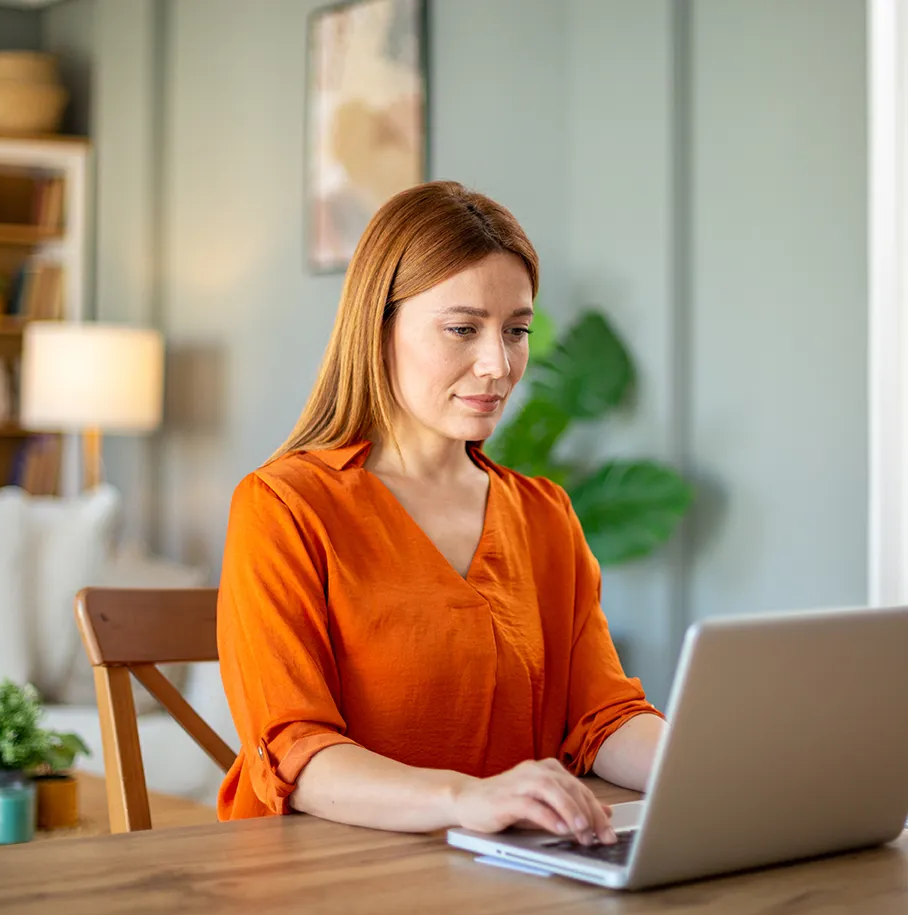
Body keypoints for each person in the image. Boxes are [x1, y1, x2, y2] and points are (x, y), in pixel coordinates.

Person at [216, 180, 666, 845]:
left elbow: (602, 716)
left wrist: (725, 770)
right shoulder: (284, 507)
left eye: (517, 331)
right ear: (381, 325)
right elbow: (297, 755)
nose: (498, 364)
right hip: (324, 878)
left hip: (505, 874)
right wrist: (466, 799)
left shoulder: (542, 514)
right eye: (463, 329)